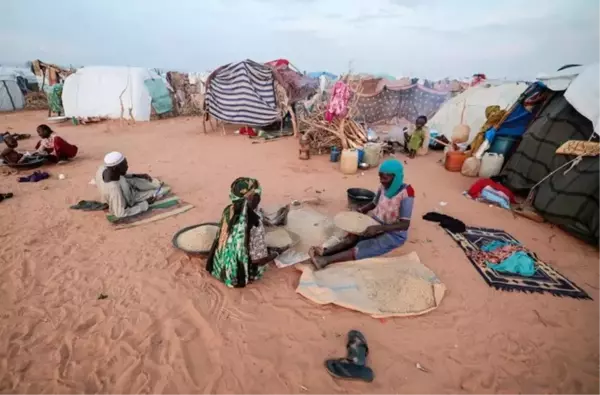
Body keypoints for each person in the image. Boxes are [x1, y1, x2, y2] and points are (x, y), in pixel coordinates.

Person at [310, 158, 414, 269]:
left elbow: (404, 224)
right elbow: (374, 203)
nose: (381, 180)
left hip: (393, 233)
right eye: (380, 176)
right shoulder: (383, 187)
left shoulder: (407, 193)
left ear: (396, 177)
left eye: (385, 178)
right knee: (352, 238)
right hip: (375, 223)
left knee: (364, 247)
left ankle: (325, 260)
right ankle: (325, 252)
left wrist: (378, 228)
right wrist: (361, 211)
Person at [206, 177, 278, 288]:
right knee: (260, 261)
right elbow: (258, 260)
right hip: (237, 274)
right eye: (257, 195)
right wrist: (275, 254)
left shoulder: (228, 210)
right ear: (252, 198)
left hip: (219, 266)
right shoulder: (254, 223)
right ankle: (249, 275)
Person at [95, 151, 167, 219]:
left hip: (123, 184)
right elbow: (120, 214)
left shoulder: (103, 168)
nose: (127, 166)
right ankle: (146, 192)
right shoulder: (115, 191)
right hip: (128, 198)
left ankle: (151, 185)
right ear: (115, 168)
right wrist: (145, 204)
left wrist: (136, 175)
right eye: (124, 165)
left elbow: (120, 175)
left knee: (154, 183)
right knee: (161, 191)